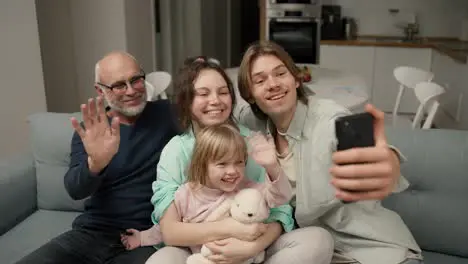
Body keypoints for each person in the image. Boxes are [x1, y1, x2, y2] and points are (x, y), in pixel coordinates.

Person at [234, 40, 424, 264]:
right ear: (250, 95)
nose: (273, 84)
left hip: (372, 249)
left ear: (296, 80)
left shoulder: (328, 119)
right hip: (316, 251)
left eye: (281, 73)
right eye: (260, 80)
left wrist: (387, 163)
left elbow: (367, 153)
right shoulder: (253, 123)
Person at [145, 59, 333, 264]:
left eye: (223, 92)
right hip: (200, 253)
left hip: (254, 249)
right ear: (186, 101)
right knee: (161, 260)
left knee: (319, 240)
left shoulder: (252, 141)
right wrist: (230, 229)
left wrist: (251, 247)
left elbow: (281, 211)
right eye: (203, 93)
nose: (215, 100)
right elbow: (171, 232)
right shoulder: (176, 150)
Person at [15, 51, 180, 264]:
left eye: (136, 80)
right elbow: (75, 189)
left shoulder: (170, 114)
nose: (131, 91)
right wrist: (95, 164)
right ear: (100, 91)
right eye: (119, 85)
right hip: (92, 233)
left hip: (146, 237)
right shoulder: (91, 131)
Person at [120, 124, 293, 259]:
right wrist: (142, 238)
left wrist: (272, 167)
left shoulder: (249, 189)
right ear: (202, 166)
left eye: (239, 162)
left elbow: (280, 197)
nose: (233, 171)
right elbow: (164, 229)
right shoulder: (186, 194)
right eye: (222, 164)